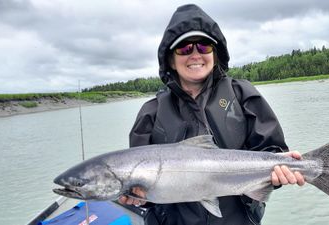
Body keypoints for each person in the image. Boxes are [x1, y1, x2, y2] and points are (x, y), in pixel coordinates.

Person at [119, 4, 305, 225]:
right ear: (170, 59)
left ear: (215, 54)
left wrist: (279, 173)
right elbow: (140, 185)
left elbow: (272, 151)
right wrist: (138, 199)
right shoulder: (151, 113)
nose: (195, 54)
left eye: (204, 46)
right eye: (184, 48)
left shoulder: (242, 94)